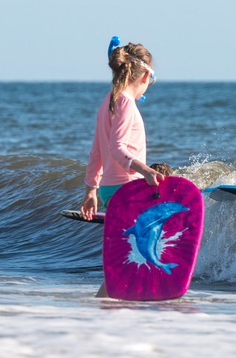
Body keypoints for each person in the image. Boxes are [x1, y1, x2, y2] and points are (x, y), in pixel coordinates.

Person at [80, 37, 164, 297]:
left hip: (109, 189)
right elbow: (117, 149)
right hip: (126, 190)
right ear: (143, 77)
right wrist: (146, 170)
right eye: (151, 80)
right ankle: (112, 307)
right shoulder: (126, 104)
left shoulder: (108, 101)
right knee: (133, 260)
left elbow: (97, 150)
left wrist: (91, 190)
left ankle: (107, 308)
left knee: (125, 259)